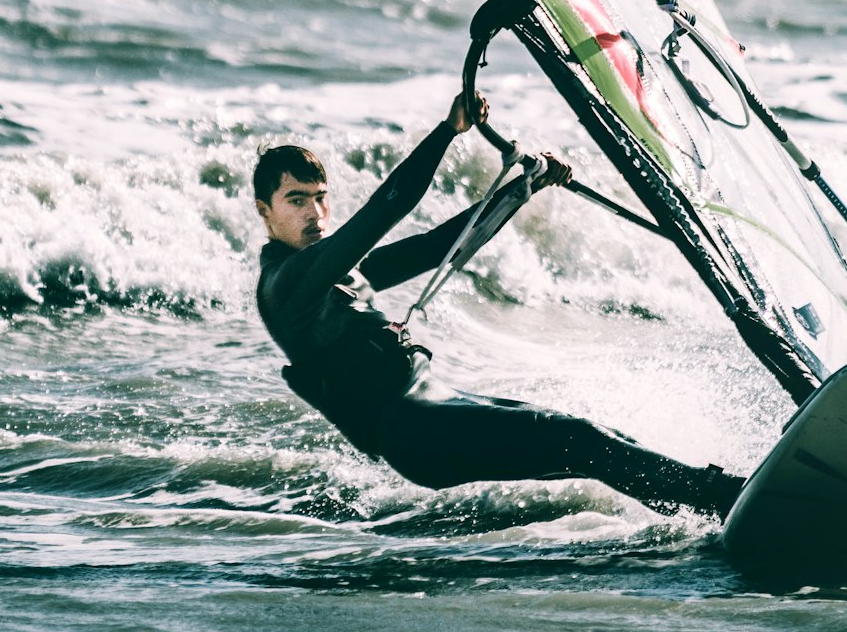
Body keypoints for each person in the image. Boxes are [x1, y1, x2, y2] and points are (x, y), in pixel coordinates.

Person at [253, 95, 743, 519]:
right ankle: (724, 498)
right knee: (579, 440)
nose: (315, 213)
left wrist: (523, 188)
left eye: (320, 198)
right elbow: (389, 206)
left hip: (438, 405)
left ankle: (708, 506)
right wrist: (448, 132)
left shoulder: (328, 272)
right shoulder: (288, 283)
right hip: (415, 430)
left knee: (593, 438)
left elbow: (437, 247)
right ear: (264, 210)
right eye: (296, 200)